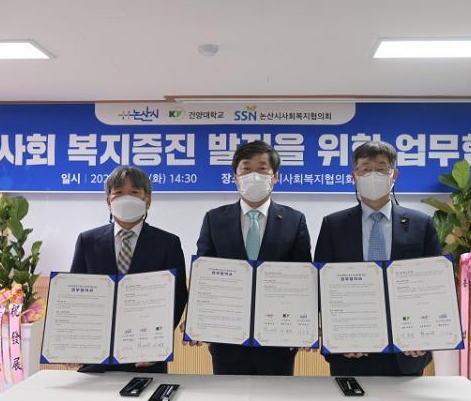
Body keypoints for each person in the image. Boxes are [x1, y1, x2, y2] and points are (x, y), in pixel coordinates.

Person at [314, 140, 441, 376]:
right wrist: (335, 335)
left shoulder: (421, 224)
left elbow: (434, 286)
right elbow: (321, 284)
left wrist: (425, 336)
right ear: (354, 176)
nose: (373, 175)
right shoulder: (333, 225)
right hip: (350, 348)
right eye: (365, 169)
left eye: (381, 169)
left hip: (407, 350)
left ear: (394, 175)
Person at [195, 140, 312, 375]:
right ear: (235, 178)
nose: (254, 176)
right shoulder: (214, 219)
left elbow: (303, 276)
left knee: (276, 396)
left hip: (278, 339)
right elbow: (203, 274)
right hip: (227, 339)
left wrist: (305, 326)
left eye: (262, 169)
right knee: (228, 396)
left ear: (275, 177)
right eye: (246, 169)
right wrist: (198, 321)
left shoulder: (294, 220)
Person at [70, 165, 188, 373]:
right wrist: (73, 343)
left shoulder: (168, 243)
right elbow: (75, 296)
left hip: (146, 358)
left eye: (134, 192)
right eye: (118, 193)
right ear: (108, 201)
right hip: (96, 357)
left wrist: (156, 342)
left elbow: (177, 297)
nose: (126, 198)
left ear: (147, 200)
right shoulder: (87, 241)